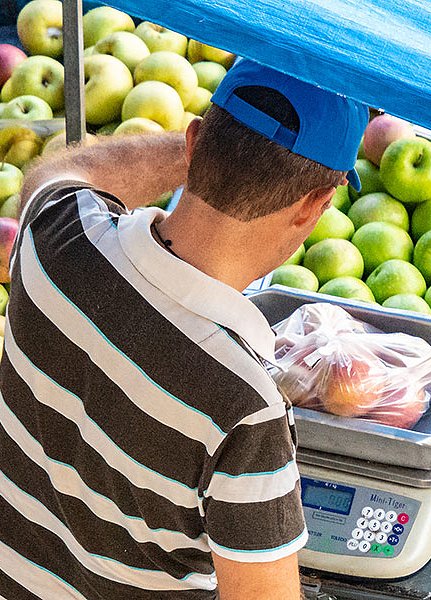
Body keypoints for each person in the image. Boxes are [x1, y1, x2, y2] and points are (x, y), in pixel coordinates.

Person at [0, 58, 368, 599]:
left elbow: (56, 174)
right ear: (315, 205)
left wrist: (224, 149)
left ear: (194, 141)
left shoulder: (55, 235)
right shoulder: (247, 409)